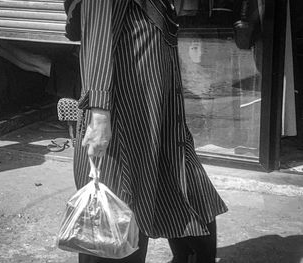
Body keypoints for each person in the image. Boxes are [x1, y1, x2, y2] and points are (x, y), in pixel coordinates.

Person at [73, 0, 228, 262]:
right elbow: (98, 31)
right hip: (125, 107)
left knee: (180, 184)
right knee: (116, 205)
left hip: (157, 106)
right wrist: (99, 110)